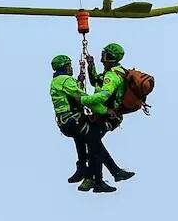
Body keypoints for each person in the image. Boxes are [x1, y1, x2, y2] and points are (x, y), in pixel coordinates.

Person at [78, 42, 135, 192]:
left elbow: (103, 95)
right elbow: (96, 81)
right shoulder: (115, 72)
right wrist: (91, 66)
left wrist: (82, 99)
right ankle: (112, 174)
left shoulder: (112, 76)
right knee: (94, 143)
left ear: (110, 57)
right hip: (108, 117)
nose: (102, 57)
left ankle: (97, 180)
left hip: (109, 117)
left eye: (104, 54)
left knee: (93, 143)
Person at [48, 54, 92, 185]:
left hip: (64, 122)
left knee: (80, 141)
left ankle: (81, 168)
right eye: (69, 65)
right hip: (74, 119)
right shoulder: (66, 80)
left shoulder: (56, 81)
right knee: (93, 142)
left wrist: (78, 81)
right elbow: (80, 96)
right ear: (65, 67)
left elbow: (68, 95)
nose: (71, 68)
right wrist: (100, 104)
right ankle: (94, 174)